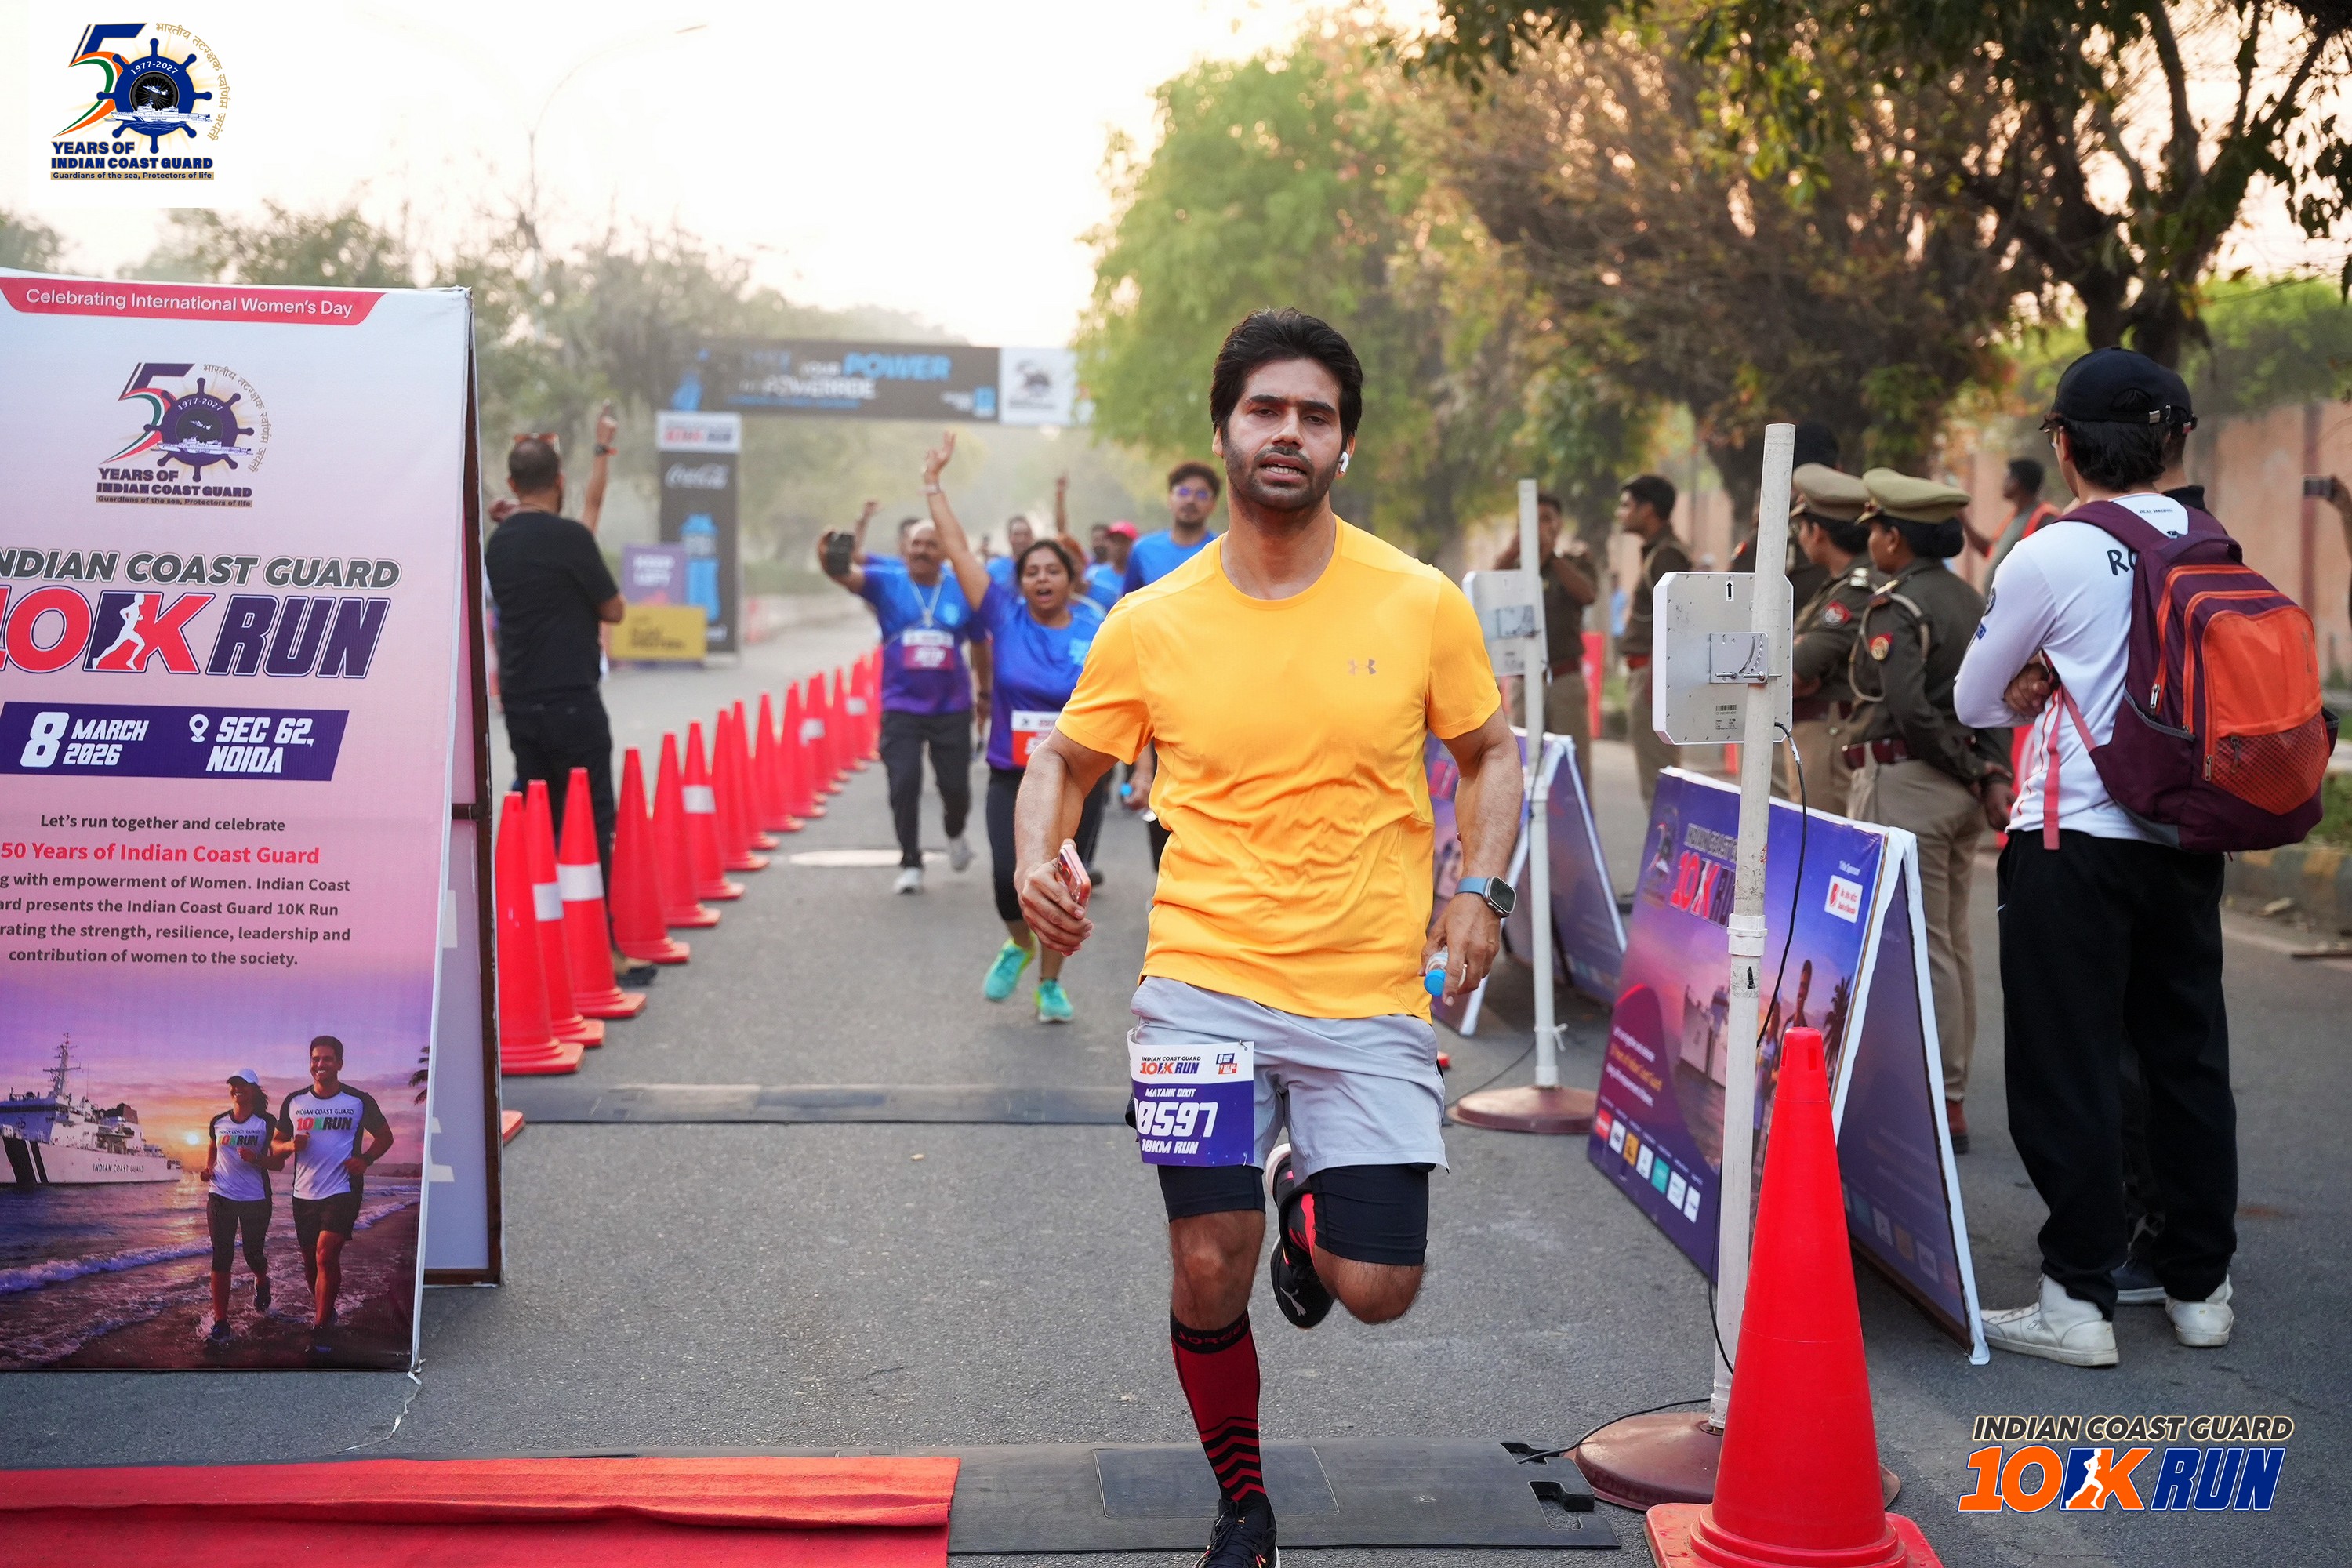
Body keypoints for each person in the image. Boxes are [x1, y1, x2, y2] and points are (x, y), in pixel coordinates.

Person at [1013, 309, 1523, 1568]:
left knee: (1377, 1289)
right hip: (1202, 981)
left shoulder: (1418, 600)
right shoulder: (1152, 620)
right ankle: (1244, 1505)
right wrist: (1037, 859)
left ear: (1344, 444)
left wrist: (1482, 889)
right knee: (1206, 1260)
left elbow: (1488, 752)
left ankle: (1305, 1201)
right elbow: (1063, 759)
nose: (1289, 432)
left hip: (1366, 988)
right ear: (1226, 428)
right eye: (1266, 409)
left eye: (1316, 415)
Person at [1955, 346, 2239, 1367]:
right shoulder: (2214, 544)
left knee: (2066, 1066)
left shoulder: (2050, 554)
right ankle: (2200, 1287)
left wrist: (2036, 677)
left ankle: (2077, 1300)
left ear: (2066, 447)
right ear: (2176, 442)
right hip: (2186, 838)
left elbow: (1974, 700)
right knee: (2185, 1061)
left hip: (2071, 839)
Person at [1843, 470, 2012, 1157]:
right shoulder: (1972, 599)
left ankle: (1939, 1097)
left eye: (1877, 530)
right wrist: (1989, 772)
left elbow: (1910, 711)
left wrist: (1973, 770)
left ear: (1894, 539)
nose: (1872, 541)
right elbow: (1997, 696)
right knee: (1951, 943)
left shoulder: (1898, 606)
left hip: (1910, 782)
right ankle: (1950, 1090)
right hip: (1960, 791)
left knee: (1921, 945)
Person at [922, 433, 1105, 1025]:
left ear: (1070, 578)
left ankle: (1050, 985)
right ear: (1020, 581)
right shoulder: (1003, 615)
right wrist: (933, 484)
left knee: (1064, 887)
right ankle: (1019, 943)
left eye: (1053, 571)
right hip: (1012, 776)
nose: (1042, 579)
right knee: (1009, 879)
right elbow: (957, 551)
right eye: (1032, 572)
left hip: (1077, 778)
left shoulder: (1099, 628)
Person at [485, 422, 627, 897]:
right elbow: (614, 609)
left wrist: (601, 451)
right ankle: (595, 930)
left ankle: (538, 919)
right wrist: (602, 447)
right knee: (589, 818)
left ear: (512, 484)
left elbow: (590, 508)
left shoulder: (498, 545)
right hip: (572, 702)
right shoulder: (571, 541)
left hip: (521, 706)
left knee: (539, 814)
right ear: (560, 480)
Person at [821, 502, 985, 894]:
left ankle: (955, 831)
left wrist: (987, 693)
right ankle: (911, 861)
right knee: (904, 782)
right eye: (916, 544)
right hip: (901, 706)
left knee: (956, 790)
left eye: (931, 545)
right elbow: (844, 574)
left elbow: (981, 645)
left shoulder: (963, 589)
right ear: (905, 549)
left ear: (944, 553)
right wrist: (827, 554)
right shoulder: (886, 581)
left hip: (952, 707)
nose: (922, 551)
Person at [273, 1036, 394, 1356]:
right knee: (310, 1262)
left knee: (326, 1255)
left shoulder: (358, 1100)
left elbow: (385, 1136)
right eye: (315, 1059)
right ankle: (327, 1310)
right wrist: (289, 1146)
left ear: (340, 1063)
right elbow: (275, 1143)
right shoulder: (294, 1101)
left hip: (343, 1189)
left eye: (327, 1059)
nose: (320, 1064)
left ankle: (321, 1327)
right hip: (303, 1192)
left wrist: (366, 1160)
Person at [1784, 464, 1878, 815]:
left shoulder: (1855, 589)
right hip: (1820, 731)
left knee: (1819, 838)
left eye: (1802, 528)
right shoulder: (1839, 584)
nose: (1801, 538)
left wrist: (1795, 658)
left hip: (1829, 735)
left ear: (1818, 532)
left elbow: (1794, 671)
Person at [1491, 492, 1598, 790]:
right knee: (1524, 764)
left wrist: (1552, 557)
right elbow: (1488, 592)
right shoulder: (1512, 565)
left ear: (1559, 524)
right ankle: (1526, 821)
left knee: (1572, 767)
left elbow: (1588, 594)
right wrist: (1513, 552)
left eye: (1546, 519)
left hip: (1564, 678)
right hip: (1525, 680)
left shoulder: (1575, 561)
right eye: (1531, 520)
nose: (1539, 526)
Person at [1617, 474, 1689, 812]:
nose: (1620, 513)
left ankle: (1666, 845)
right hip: (1648, 674)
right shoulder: (1657, 553)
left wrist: (1656, 683)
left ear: (1647, 510)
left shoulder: (1667, 556)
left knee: (1660, 782)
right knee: (1656, 782)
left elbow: (1678, 623)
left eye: (1627, 505)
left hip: (1652, 675)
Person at [202, 1068, 281, 1346]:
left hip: (255, 1198)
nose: (237, 1089)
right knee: (221, 1256)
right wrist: (209, 1169)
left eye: (243, 1085)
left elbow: (279, 1163)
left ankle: (262, 1281)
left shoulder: (266, 1122)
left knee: (252, 1254)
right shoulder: (218, 1121)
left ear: (254, 1090)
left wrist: (256, 1158)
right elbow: (213, 1149)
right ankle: (221, 1322)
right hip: (220, 1196)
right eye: (233, 1085)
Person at [1124, 462, 1223, 592]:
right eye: (1183, 492)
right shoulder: (1143, 549)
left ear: (1213, 505)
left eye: (1202, 495)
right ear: (1170, 498)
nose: (1190, 500)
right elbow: (1128, 600)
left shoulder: (1222, 552)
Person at [1985, 457, 2063, 580]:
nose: (2003, 483)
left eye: (2006, 477)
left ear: (2016, 482)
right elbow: (1990, 551)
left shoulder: (2045, 518)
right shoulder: (2015, 518)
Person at [986, 515, 1036, 593]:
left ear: (1032, 537)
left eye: (1026, 534)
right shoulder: (994, 568)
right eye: (1017, 534)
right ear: (1009, 538)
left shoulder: (1042, 568)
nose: (1021, 539)